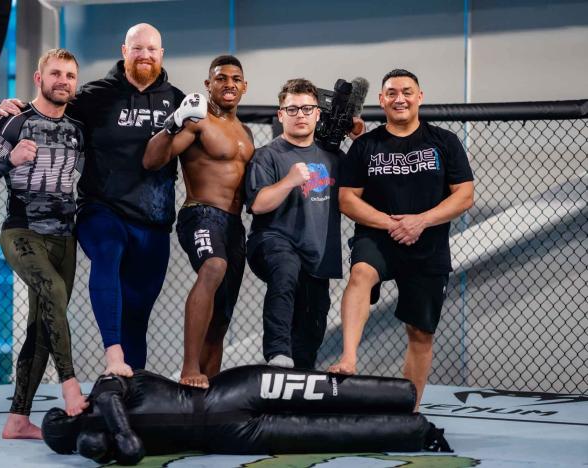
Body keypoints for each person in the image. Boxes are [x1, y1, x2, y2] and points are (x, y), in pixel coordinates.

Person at [0, 24, 185, 376]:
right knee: (108, 253)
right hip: (103, 208)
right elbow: (51, 107)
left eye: (152, 49)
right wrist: (17, 105)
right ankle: (113, 356)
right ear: (124, 50)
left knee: (138, 313)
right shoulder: (96, 95)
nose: (145, 55)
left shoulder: (176, 99)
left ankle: (129, 389)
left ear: (162, 54)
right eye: (138, 48)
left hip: (155, 220)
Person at [328, 69, 475, 410]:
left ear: (419, 97)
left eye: (406, 91)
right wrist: (391, 224)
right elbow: (347, 199)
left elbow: (464, 195)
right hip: (379, 238)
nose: (399, 98)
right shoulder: (366, 145)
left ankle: (409, 410)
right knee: (361, 274)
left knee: (420, 334)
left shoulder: (444, 141)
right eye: (391, 92)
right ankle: (349, 358)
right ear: (382, 100)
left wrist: (420, 222)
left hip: (428, 245)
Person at [0, 48, 88, 439]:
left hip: (64, 239)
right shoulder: (13, 122)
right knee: (51, 290)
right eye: (55, 73)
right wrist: (9, 161)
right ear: (39, 78)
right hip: (22, 232)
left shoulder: (78, 128)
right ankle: (70, 385)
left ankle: (17, 419)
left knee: (41, 325)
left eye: (70, 75)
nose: (63, 81)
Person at [41, 365, 451, 465]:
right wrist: (101, 445)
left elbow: (113, 407)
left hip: (231, 391)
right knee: (330, 431)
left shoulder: (107, 388)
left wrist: (119, 437)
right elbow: (115, 447)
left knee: (326, 391)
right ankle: (417, 429)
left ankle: (404, 396)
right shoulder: (103, 435)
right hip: (234, 437)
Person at [143, 55, 254, 388]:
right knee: (213, 267)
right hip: (201, 212)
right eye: (221, 78)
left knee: (222, 315)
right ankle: (189, 368)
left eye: (235, 79)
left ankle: (209, 386)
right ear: (209, 85)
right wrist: (174, 121)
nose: (229, 84)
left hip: (235, 224)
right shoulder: (198, 120)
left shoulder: (245, 133)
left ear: (244, 86)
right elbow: (151, 160)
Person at [245, 79, 364, 370]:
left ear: (317, 114)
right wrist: (289, 182)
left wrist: (360, 139)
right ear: (281, 114)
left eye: (307, 108)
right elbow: (258, 204)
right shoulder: (267, 155)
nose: (300, 114)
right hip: (272, 241)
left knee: (314, 320)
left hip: (317, 250)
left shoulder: (334, 157)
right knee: (286, 272)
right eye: (293, 109)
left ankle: (299, 377)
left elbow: (364, 185)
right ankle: (277, 354)